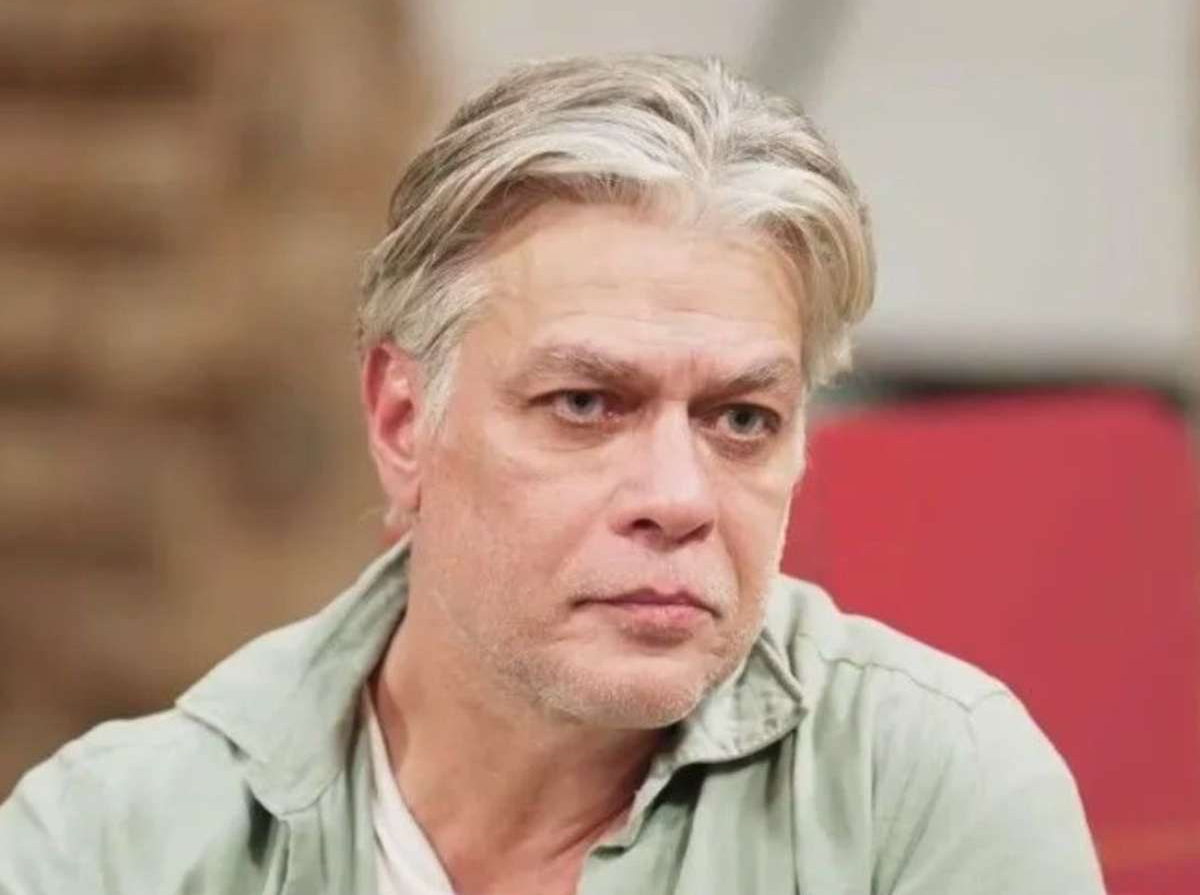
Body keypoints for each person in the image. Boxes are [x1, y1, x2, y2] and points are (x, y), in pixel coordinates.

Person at [0, 54, 1104, 894]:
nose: (678, 498)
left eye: (742, 419)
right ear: (402, 421)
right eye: (585, 404)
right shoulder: (115, 841)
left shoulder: (920, 794)